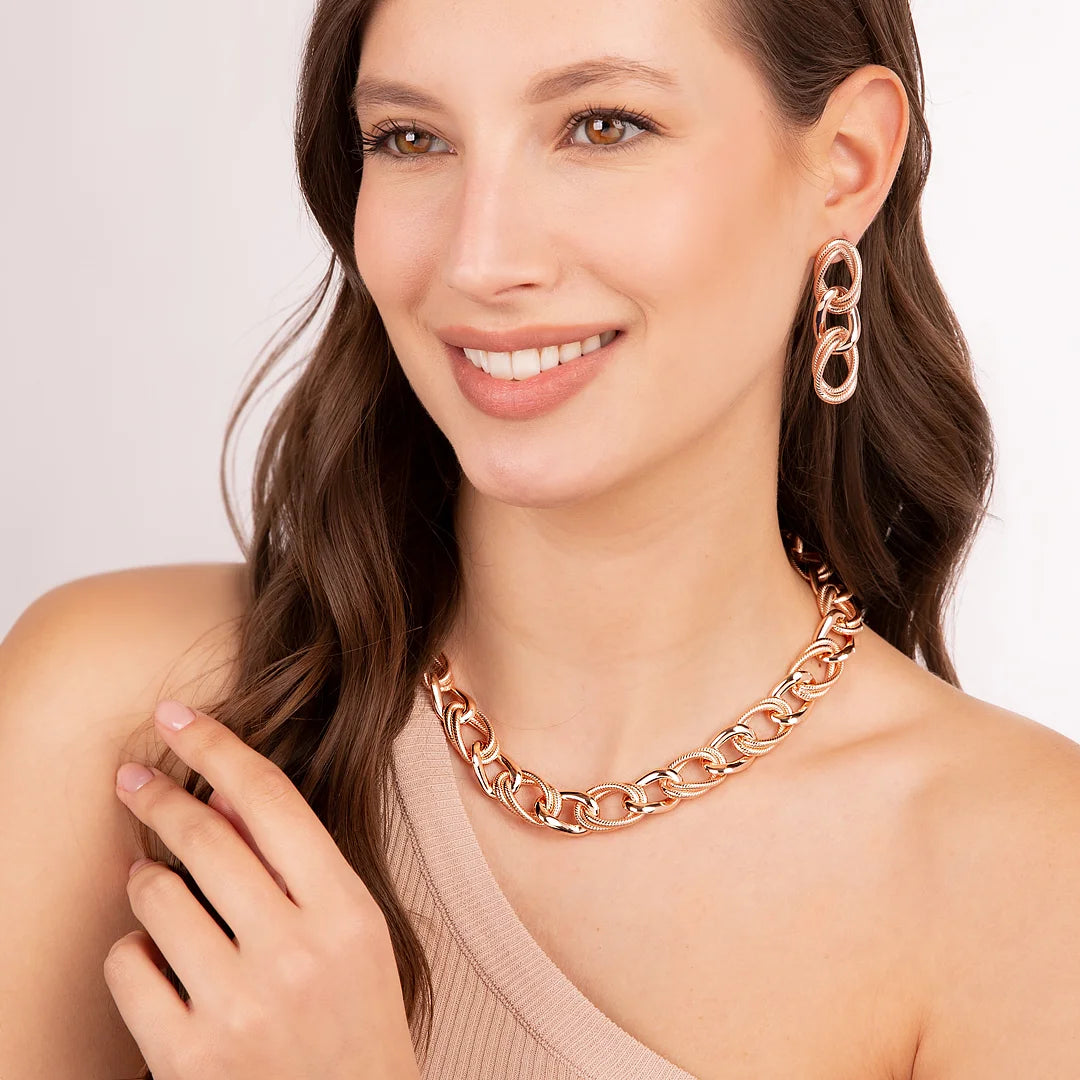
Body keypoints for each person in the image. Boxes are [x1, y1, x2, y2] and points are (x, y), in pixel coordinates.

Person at [3, 0, 1078, 1077]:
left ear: (845, 164)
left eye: (603, 126)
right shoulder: (125, 716)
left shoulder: (1023, 872)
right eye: (411, 138)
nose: (481, 259)